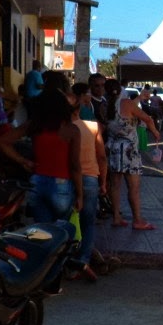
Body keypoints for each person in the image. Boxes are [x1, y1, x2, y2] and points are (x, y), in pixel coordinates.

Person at [0, 74, 83, 224]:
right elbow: (75, 165)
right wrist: (80, 194)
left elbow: (3, 141)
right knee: (60, 233)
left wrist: (22, 160)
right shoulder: (72, 130)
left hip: (37, 181)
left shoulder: (34, 125)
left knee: (42, 233)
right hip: (61, 184)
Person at [105, 78, 160, 229]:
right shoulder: (126, 103)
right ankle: (137, 219)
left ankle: (116, 217)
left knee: (115, 186)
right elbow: (147, 118)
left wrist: (139, 98)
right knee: (133, 187)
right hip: (129, 150)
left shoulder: (106, 106)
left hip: (113, 149)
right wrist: (155, 131)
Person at [71, 83, 107, 281]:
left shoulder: (64, 130)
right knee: (88, 223)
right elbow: (102, 157)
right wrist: (104, 182)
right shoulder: (93, 127)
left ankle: (67, 261)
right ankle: (83, 260)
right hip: (91, 178)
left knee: (70, 221)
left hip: (69, 179)